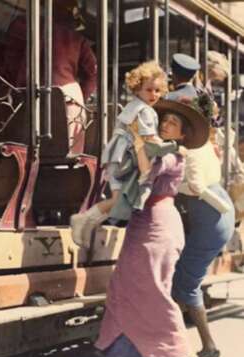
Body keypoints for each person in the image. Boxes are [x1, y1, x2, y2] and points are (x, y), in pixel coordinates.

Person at [95, 99, 210, 357]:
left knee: (154, 290)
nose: (165, 124)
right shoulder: (160, 148)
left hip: (159, 225)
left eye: (173, 123)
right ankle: (138, 356)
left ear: (182, 134)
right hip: (143, 223)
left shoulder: (173, 154)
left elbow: (147, 171)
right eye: (164, 120)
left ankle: (185, 353)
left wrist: (135, 139)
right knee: (124, 286)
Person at [70, 61, 177, 247]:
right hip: (124, 158)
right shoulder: (145, 111)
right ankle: (83, 220)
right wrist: (173, 147)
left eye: (158, 91)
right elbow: (150, 140)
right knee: (120, 199)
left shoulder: (134, 106)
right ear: (137, 89)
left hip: (118, 156)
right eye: (149, 90)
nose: (154, 95)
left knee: (118, 200)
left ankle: (86, 224)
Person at [171, 95, 235, 357]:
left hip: (211, 218)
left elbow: (195, 187)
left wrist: (169, 187)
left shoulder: (193, 150)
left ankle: (206, 345)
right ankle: (201, 344)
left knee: (185, 284)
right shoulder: (205, 144)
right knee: (185, 281)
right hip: (218, 215)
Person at [0, 0, 97, 151]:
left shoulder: (22, 26)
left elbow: (11, 65)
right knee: (68, 158)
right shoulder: (77, 38)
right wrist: (80, 98)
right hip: (70, 100)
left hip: (32, 97)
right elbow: (94, 74)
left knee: (29, 155)